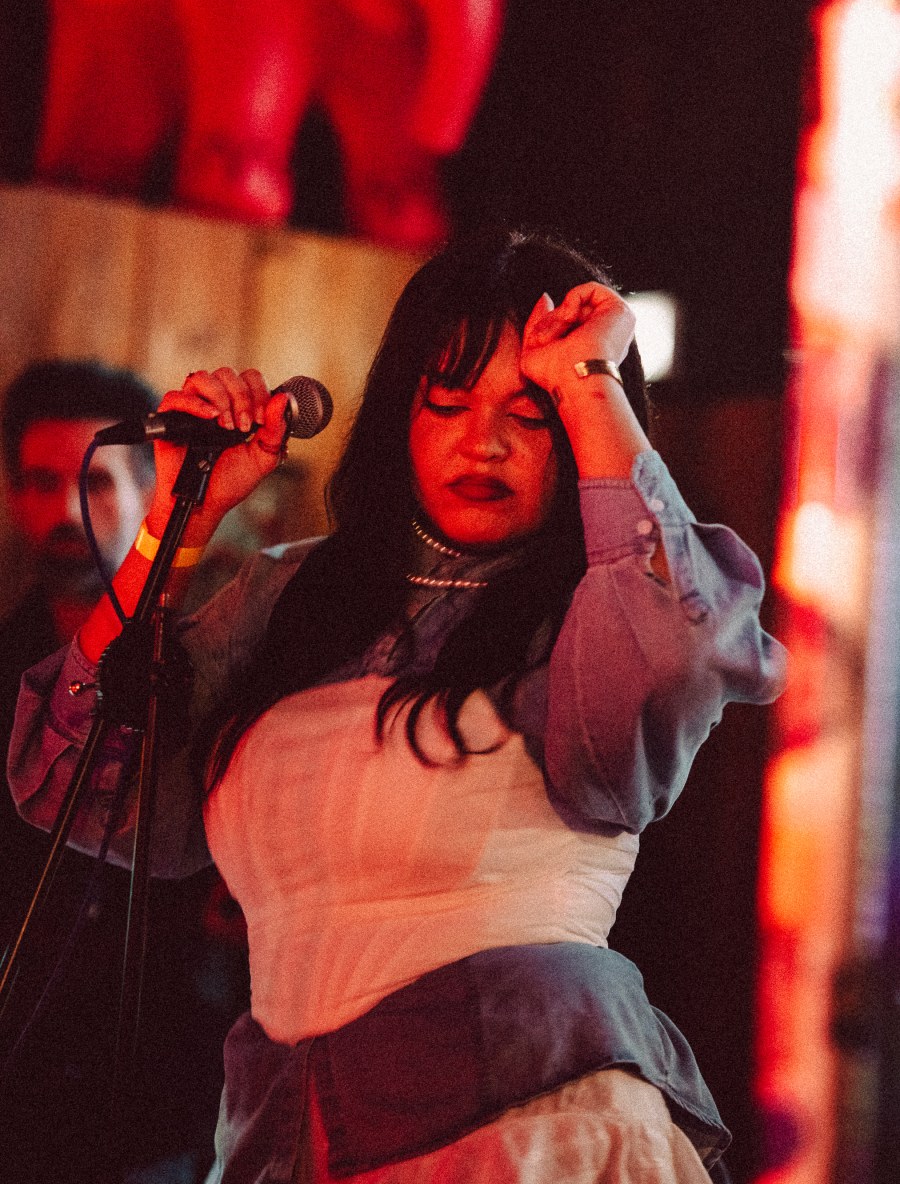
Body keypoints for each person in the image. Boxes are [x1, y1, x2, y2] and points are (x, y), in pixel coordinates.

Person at [8, 230, 786, 1182]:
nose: (484, 442)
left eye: (531, 413)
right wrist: (177, 523)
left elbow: (685, 641)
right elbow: (73, 780)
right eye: (447, 403)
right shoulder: (289, 595)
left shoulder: (599, 612)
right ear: (396, 418)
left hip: (531, 1124)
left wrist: (589, 381)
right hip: (295, 1130)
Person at [0, 360, 243, 1183]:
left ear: (151, 491)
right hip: (23, 1083)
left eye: (94, 483)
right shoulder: (6, 669)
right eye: (41, 483)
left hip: (176, 1086)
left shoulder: (220, 661)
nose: (66, 510)